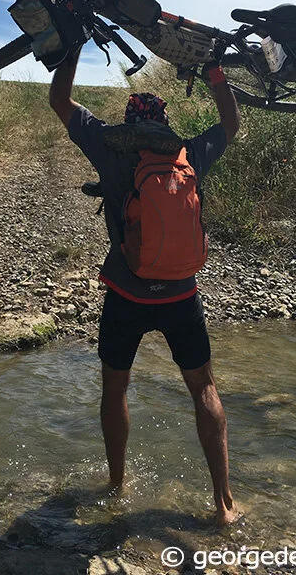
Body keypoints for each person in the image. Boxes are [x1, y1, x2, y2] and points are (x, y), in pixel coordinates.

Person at [49, 49, 240, 526]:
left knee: (115, 387)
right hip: (181, 295)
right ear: (165, 123)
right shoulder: (189, 154)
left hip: (126, 294)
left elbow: (60, 100)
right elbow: (231, 123)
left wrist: (71, 47)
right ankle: (223, 504)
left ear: (130, 122)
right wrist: (215, 72)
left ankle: (117, 485)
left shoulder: (111, 150)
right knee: (203, 387)